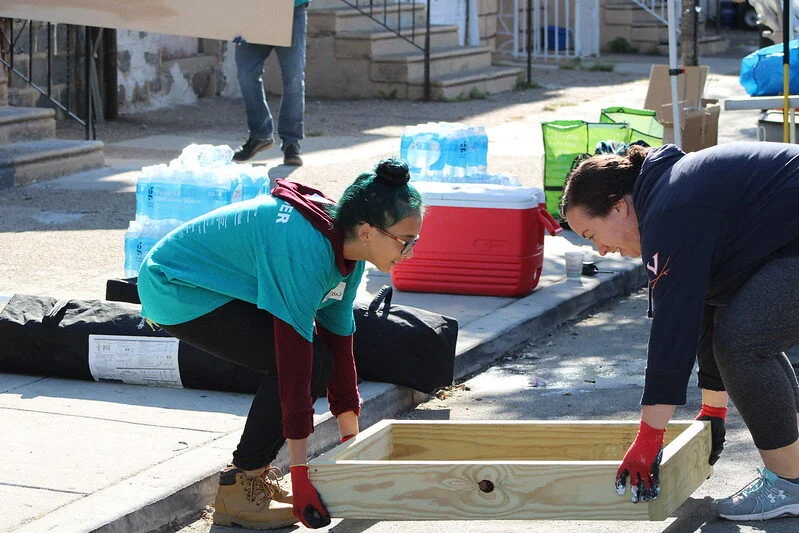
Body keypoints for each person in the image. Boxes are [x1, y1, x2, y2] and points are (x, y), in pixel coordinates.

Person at [137, 158, 423, 529]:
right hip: (177, 285)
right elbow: (294, 367)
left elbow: (340, 345)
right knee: (303, 364)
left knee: (324, 360)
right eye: (406, 240)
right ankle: (240, 488)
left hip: (222, 283)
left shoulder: (350, 253)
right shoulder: (304, 254)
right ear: (367, 231)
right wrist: (301, 474)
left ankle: (252, 477)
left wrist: (353, 440)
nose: (411, 251)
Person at [560, 141, 799, 521]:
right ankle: (793, 469)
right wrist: (713, 410)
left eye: (591, 234)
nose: (601, 250)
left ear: (619, 206)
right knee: (745, 335)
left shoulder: (670, 212)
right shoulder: (669, 194)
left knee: (744, 345)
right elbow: (704, 308)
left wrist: (649, 438)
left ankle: (789, 482)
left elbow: (674, 333)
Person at [232, 0, 309, 166]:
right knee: (246, 72)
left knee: (293, 78)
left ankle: (291, 144)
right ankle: (261, 135)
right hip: (251, 11)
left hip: (290, 9)